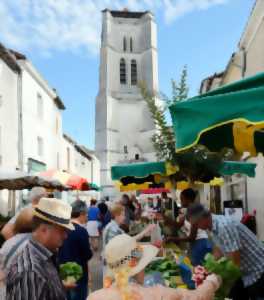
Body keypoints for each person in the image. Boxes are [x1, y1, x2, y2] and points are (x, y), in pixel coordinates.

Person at [88, 234, 221, 300]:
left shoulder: (94, 297)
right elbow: (196, 297)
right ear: (137, 268)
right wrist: (211, 282)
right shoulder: (157, 294)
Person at [188, 203, 264, 300]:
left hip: (258, 270)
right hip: (244, 271)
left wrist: (221, 279)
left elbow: (235, 260)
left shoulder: (223, 226)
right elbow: (218, 249)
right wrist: (208, 267)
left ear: (203, 218)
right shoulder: (212, 226)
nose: (197, 227)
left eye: (196, 224)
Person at [6, 197, 74, 300]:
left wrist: (60, 287)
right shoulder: (30, 272)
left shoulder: (44, 256)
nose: (65, 236)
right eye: (62, 230)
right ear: (44, 230)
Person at [167, 189, 212, 266]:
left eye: (182, 199)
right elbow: (178, 224)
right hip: (195, 244)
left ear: (188, 199)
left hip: (200, 243)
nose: (180, 201)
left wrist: (173, 239)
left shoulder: (195, 210)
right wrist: (165, 218)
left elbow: (192, 237)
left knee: (198, 268)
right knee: (194, 266)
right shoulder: (189, 210)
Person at [59, 200, 93, 300]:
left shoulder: (63, 228)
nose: (87, 217)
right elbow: (87, 255)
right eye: (86, 214)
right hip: (79, 275)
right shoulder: (81, 231)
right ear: (81, 214)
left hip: (63, 273)